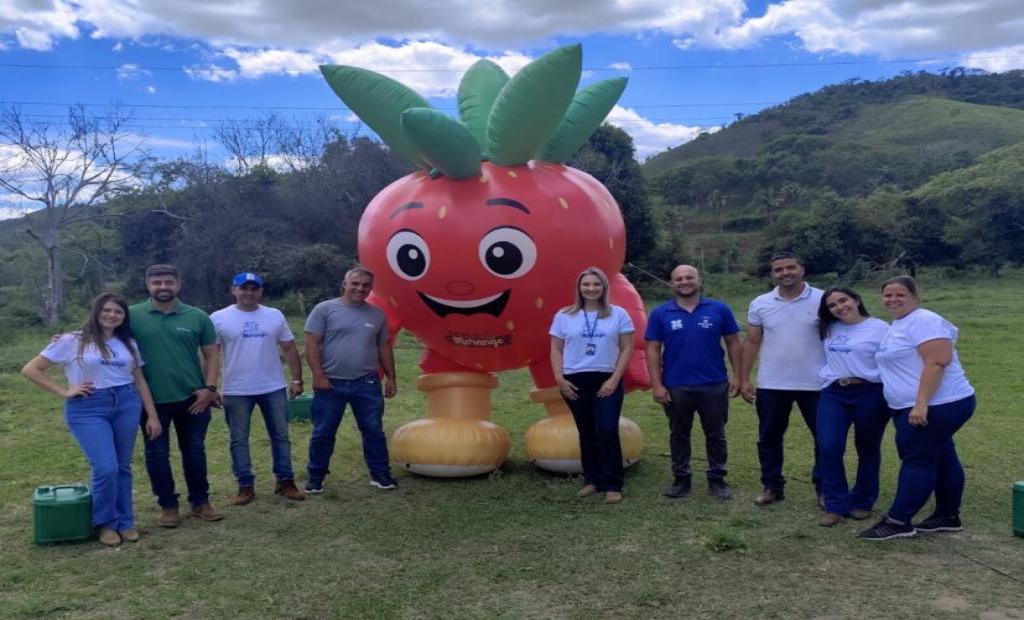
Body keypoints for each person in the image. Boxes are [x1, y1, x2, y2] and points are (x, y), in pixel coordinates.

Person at [22, 293, 162, 546]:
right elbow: (31, 369)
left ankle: (125, 521)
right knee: (105, 467)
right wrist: (65, 391)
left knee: (122, 466)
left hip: (127, 402)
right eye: (107, 310)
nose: (112, 315)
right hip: (88, 407)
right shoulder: (71, 340)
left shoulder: (127, 342)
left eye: (118, 312)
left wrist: (152, 415)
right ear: (96, 312)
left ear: (123, 317)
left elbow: (140, 379)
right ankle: (105, 523)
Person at [858, 276, 976, 541]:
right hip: (915, 405)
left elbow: (937, 361)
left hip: (938, 404)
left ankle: (899, 521)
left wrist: (921, 403)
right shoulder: (900, 324)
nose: (893, 300)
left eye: (900, 294)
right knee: (943, 455)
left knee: (917, 458)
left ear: (914, 296)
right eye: (887, 295)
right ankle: (947, 516)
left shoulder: (925, 320)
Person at [130, 264, 223, 527]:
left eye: (168, 282)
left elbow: (212, 354)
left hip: (193, 398)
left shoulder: (196, 316)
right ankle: (168, 505)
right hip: (150, 401)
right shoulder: (132, 315)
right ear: (148, 285)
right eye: (157, 283)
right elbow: (101, 331)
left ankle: (200, 502)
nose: (163, 287)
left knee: (194, 451)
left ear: (179, 284)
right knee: (156, 454)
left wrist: (210, 388)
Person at [645, 265, 741, 501]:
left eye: (689, 277)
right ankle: (681, 479)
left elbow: (733, 343)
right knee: (678, 434)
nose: (684, 281)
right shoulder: (660, 313)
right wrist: (657, 384)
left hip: (714, 384)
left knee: (716, 434)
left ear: (699, 280)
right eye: (679, 278)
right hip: (675, 385)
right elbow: (653, 349)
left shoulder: (719, 309)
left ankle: (717, 480)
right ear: (672, 283)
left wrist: (739, 376)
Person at [211, 272, 305, 504]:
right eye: (244, 288)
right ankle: (245, 485)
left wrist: (297, 380)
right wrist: (210, 386)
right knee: (238, 439)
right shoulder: (218, 318)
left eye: (254, 288)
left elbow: (290, 349)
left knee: (281, 436)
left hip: (272, 387)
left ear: (261, 292)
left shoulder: (274, 315)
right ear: (234, 290)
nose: (249, 293)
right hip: (236, 389)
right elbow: (211, 355)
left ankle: (285, 481)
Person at [739, 251, 825, 507]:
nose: (785, 273)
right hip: (773, 384)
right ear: (772, 274)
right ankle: (772, 486)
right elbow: (752, 341)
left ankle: (825, 488)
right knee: (769, 438)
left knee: (824, 438)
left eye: (791, 267)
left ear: (802, 269)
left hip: (817, 383)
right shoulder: (761, 303)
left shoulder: (824, 299)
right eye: (779, 269)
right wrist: (743, 378)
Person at [305, 266, 398, 493]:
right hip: (330, 383)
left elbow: (384, 347)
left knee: (373, 431)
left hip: (366, 382)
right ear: (345, 284)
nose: (360, 288)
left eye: (365, 285)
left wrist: (391, 378)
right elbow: (311, 343)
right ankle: (316, 478)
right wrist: (318, 375)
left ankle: (380, 475)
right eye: (355, 283)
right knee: (323, 432)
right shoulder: (325, 309)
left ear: (370, 288)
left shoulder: (376, 314)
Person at [550, 266, 635, 504]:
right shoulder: (564, 315)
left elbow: (627, 347)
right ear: (579, 288)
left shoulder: (618, 314)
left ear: (604, 287)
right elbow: (556, 348)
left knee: (607, 429)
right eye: (586, 284)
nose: (591, 288)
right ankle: (592, 480)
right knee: (586, 431)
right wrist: (560, 378)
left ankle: (613, 484)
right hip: (574, 380)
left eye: (596, 284)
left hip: (607, 378)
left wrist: (614, 379)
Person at [815, 287, 890, 527]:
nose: (839, 307)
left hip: (869, 392)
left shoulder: (880, 328)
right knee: (828, 445)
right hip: (834, 392)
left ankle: (862, 501)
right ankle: (835, 504)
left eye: (843, 300)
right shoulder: (829, 327)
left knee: (867, 447)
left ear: (856, 300)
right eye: (832, 305)